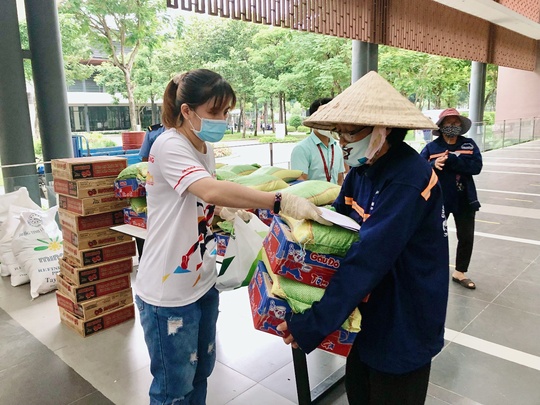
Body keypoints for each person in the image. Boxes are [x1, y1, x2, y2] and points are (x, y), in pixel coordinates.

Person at [135, 68, 328, 405]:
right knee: (172, 387)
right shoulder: (169, 145)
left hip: (201, 279)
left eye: (226, 112)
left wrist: (224, 212)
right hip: (167, 290)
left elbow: (198, 198)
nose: (222, 120)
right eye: (215, 112)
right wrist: (279, 200)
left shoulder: (203, 147)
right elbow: (209, 189)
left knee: (200, 372)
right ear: (187, 111)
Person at [276, 71, 450, 405]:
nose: (342, 140)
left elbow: (368, 258)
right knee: (360, 389)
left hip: (403, 313)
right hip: (367, 309)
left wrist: (314, 323)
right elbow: (341, 230)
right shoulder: (362, 170)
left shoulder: (408, 178)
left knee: (391, 388)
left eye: (350, 131)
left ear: (382, 130)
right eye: (338, 131)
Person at [420, 108, 482, 289]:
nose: (453, 126)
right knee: (435, 235)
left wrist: (453, 160)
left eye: (456, 123)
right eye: (449, 123)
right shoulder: (432, 148)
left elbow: (476, 167)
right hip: (440, 200)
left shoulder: (468, 145)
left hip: (465, 199)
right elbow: (419, 170)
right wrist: (433, 165)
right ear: (441, 126)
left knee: (466, 236)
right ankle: (432, 269)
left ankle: (460, 272)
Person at [290, 98, 345, 185]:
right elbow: (299, 183)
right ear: (313, 119)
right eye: (323, 118)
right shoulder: (302, 149)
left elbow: (340, 179)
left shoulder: (337, 148)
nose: (327, 123)